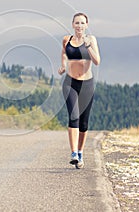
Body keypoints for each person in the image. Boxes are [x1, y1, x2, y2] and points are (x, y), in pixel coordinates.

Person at [58, 12, 100, 169]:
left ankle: (81, 152)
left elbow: (97, 61)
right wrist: (63, 65)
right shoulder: (66, 39)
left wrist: (88, 46)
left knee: (83, 122)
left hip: (87, 84)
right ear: (72, 24)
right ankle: (74, 153)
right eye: (77, 23)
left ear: (87, 25)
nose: (79, 26)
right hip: (70, 82)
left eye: (82, 23)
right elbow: (63, 52)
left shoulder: (91, 40)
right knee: (73, 117)